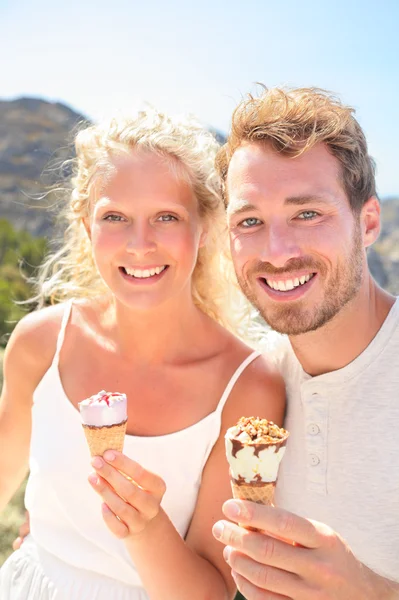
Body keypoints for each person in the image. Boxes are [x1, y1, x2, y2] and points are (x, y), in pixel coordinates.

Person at [0, 109, 285, 600]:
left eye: (166, 217)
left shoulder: (247, 387)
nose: (140, 244)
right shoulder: (41, 343)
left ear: (205, 229)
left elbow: (210, 592)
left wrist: (147, 526)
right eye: (115, 217)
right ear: (86, 227)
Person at [211, 86, 399, 599]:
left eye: (307, 213)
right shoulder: (252, 381)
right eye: (249, 221)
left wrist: (368, 591)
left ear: (368, 223)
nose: (277, 252)